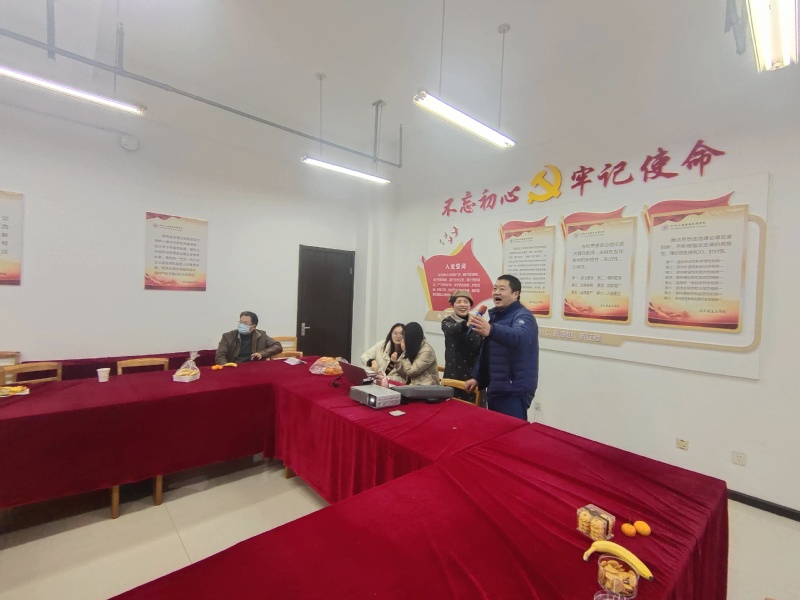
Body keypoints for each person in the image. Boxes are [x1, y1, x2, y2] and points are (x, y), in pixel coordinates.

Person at [465, 275, 538, 420]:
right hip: (497, 386)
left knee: (512, 430)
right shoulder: (498, 316)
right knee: (497, 429)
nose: (496, 292)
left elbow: (520, 337)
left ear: (515, 294)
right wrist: (478, 377)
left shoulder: (523, 316)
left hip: (513, 390)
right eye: (495, 288)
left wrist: (491, 330)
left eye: (502, 289)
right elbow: (488, 351)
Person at [441, 290, 482, 400]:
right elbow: (450, 330)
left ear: (470, 305)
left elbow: (483, 350)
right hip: (454, 374)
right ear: (452, 305)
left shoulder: (478, 322)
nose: (463, 304)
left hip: (474, 376)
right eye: (459, 302)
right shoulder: (447, 322)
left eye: (466, 301)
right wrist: (466, 324)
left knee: (474, 408)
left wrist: (478, 375)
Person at [215, 311, 283, 364]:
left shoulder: (261, 335)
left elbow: (277, 346)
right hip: (235, 366)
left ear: (253, 327)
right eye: (240, 322)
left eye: (245, 323)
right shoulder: (228, 336)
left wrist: (261, 353)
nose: (241, 325)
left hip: (255, 368)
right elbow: (220, 356)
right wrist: (226, 367)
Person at [395, 321, 440, 386]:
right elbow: (405, 375)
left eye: (404, 337)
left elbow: (410, 372)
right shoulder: (413, 347)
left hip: (427, 387)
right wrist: (397, 364)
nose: (403, 340)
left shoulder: (427, 351)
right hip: (414, 386)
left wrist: (405, 353)